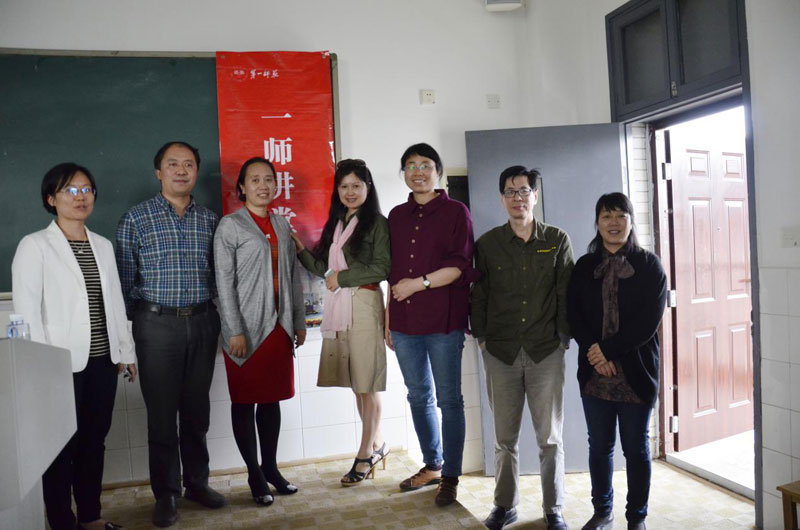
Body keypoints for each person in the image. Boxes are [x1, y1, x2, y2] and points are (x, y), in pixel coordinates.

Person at [12, 163, 136, 530]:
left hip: (102, 361)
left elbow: (115, 303)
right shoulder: (35, 245)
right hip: (58, 366)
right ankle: (62, 522)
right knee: (59, 446)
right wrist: (40, 366)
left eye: (86, 190)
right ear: (51, 199)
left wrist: (126, 351)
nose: (80, 197)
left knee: (93, 441)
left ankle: (91, 517)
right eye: (70, 190)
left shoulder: (103, 245)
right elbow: (27, 312)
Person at [116, 141, 223, 528]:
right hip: (156, 326)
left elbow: (219, 276)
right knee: (162, 417)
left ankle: (197, 484)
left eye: (189, 164)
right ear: (158, 172)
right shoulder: (136, 218)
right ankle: (166, 494)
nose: (181, 170)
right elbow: (123, 283)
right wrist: (140, 328)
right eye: (172, 164)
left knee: (197, 412)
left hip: (203, 322)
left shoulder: (210, 220)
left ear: (196, 171)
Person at [471, 166, 574, 530]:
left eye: (524, 190)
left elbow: (566, 292)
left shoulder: (557, 240)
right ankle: (505, 505)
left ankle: (553, 508)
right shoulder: (488, 244)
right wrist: (482, 338)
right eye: (511, 192)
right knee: (505, 439)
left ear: (535, 195)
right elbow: (479, 295)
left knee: (550, 438)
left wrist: (563, 339)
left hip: (546, 351)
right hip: (501, 352)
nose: (518, 198)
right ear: (502, 199)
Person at [566, 193, 667, 530]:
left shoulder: (650, 266)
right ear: (597, 223)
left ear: (630, 221)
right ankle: (602, 512)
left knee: (636, 448)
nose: (613, 222)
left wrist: (608, 351)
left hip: (636, 371)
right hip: (594, 374)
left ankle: (636, 517)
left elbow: (648, 322)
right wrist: (596, 354)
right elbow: (574, 315)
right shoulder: (584, 266)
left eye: (620, 215)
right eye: (606, 216)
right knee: (599, 447)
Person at [386, 143, 477, 506]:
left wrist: (418, 284)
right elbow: (390, 273)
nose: (418, 172)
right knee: (417, 395)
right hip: (403, 322)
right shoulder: (396, 215)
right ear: (404, 174)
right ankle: (432, 465)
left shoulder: (456, 212)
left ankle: (451, 476)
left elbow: (459, 266)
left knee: (449, 399)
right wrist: (388, 320)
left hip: (443, 322)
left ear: (437, 171)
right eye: (410, 166)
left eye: (425, 165)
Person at [292, 158, 391, 486]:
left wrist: (342, 278)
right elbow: (324, 269)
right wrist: (299, 248)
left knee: (367, 382)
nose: (350, 192)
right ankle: (377, 444)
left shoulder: (377, 223)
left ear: (368, 188)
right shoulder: (337, 223)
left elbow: (382, 268)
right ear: (337, 190)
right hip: (342, 305)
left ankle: (365, 454)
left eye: (356, 186)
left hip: (364, 303)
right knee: (357, 383)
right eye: (344, 186)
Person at [214, 157, 306, 506]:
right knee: (244, 401)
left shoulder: (282, 224)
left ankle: (271, 469)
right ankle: (254, 475)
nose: (263, 185)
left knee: (271, 400)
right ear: (241, 187)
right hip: (245, 331)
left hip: (279, 327)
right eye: (254, 180)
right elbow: (223, 282)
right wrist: (234, 329)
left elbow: (293, 277)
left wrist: (298, 321)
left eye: (268, 179)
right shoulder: (230, 226)